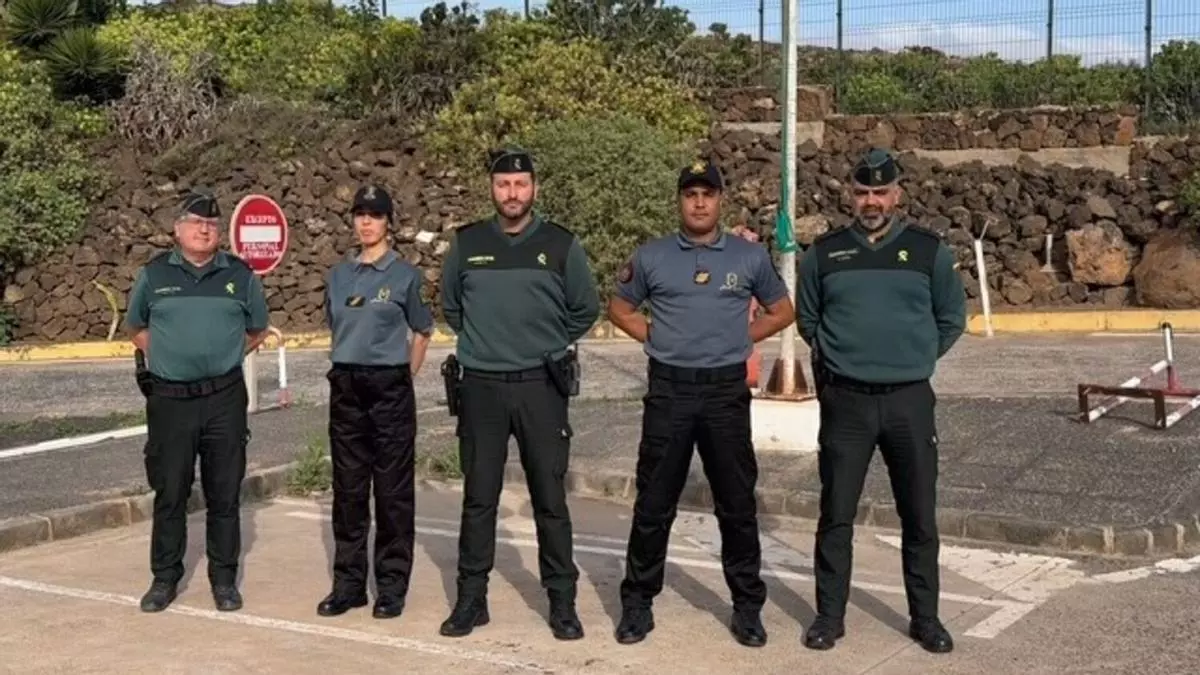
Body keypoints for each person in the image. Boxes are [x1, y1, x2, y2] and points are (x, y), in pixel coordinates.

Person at [606, 159, 796, 647]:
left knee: (736, 505)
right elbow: (620, 307)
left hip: (724, 393)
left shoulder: (748, 257)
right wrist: (656, 338)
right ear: (679, 201)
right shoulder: (651, 256)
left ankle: (747, 608)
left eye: (707, 194)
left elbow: (782, 310)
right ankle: (637, 604)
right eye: (690, 194)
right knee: (654, 504)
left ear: (720, 200)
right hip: (669, 391)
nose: (698, 203)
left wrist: (741, 337)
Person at [796, 147, 966, 654]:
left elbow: (951, 318)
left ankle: (926, 619)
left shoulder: (927, 251)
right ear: (851, 195)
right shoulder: (824, 254)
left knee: (919, 515)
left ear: (897, 194)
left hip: (908, 401)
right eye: (862, 192)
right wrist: (839, 359)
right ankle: (829, 617)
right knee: (836, 514)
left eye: (880, 192)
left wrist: (915, 356)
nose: (871, 201)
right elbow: (809, 320)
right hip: (846, 402)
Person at [439, 148, 600, 640]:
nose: (512, 193)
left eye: (521, 184)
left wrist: (545, 343)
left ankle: (562, 603)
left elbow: (585, 308)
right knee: (479, 499)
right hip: (481, 387)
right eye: (503, 184)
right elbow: (452, 308)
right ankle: (471, 601)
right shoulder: (467, 243)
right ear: (492, 188)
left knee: (550, 499)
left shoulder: (561, 244)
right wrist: (487, 344)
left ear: (534, 188)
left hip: (540, 387)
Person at [124, 188, 270, 613]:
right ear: (178, 229)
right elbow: (136, 327)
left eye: (211, 224)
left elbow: (258, 329)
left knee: (224, 492)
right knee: (170, 490)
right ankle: (164, 578)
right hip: (171, 400)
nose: (204, 230)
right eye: (195, 222)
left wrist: (226, 356)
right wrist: (166, 357)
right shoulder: (154, 275)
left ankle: (223, 580)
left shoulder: (240, 275)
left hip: (224, 398)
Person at [315, 185, 434, 620]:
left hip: (389, 388)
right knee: (348, 491)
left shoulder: (404, 276)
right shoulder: (338, 276)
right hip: (347, 385)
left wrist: (404, 376)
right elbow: (338, 325)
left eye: (376, 215)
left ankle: (391, 586)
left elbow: (422, 331)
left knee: (392, 493)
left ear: (389, 223)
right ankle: (348, 585)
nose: (366, 222)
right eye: (360, 214)